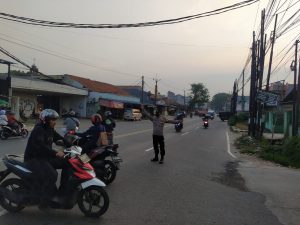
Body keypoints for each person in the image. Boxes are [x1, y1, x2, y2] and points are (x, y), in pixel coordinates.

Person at [24, 109, 67, 208]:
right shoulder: (38, 130)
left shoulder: (49, 129)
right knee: (52, 175)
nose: (55, 122)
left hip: (44, 157)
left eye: (55, 119)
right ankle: (44, 201)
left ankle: (62, 192)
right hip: (34, 159)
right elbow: (41, 148)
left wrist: (73, 144)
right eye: (52, 120)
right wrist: (56, 153)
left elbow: (59, 138)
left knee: (66, 162)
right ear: (46, 120)